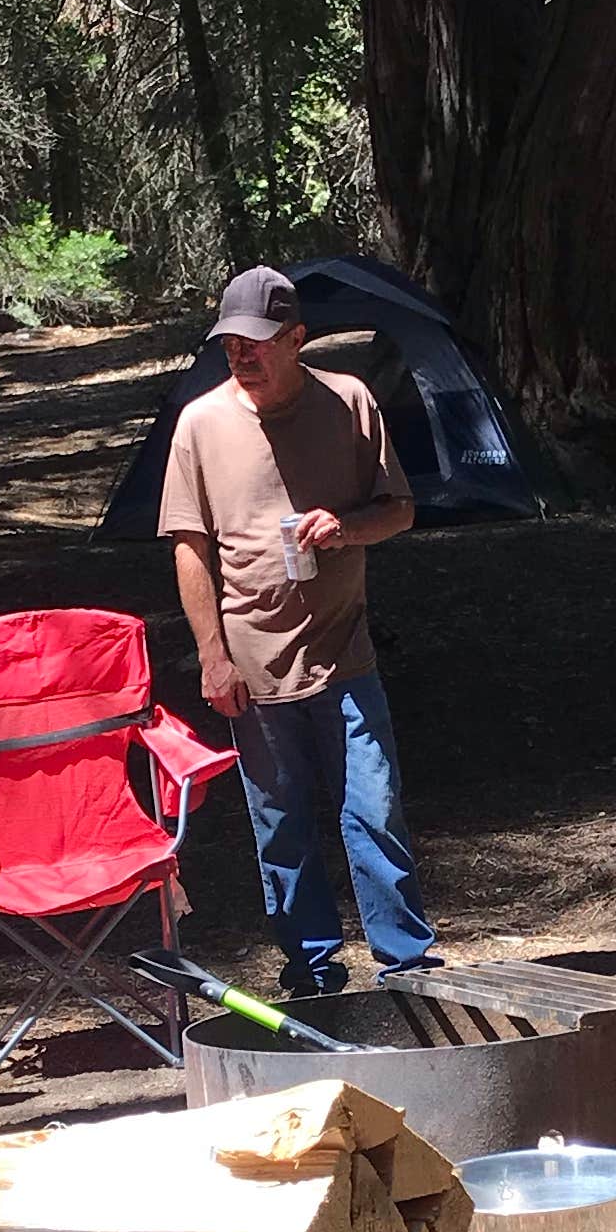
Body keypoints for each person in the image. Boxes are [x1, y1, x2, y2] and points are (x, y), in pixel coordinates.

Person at [158, 266, 443, 1000]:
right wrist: (213, 658)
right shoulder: (200, 423)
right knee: (279, 825)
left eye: (256, 342)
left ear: (295, 339)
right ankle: (312, 969)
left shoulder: (349, 402)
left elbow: (399, 509)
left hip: (345, 655)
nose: (240, 355)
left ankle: (406, 965)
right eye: (230, 342)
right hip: (252, 667)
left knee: (374, 809)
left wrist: (345, 528)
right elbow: (190, 547)